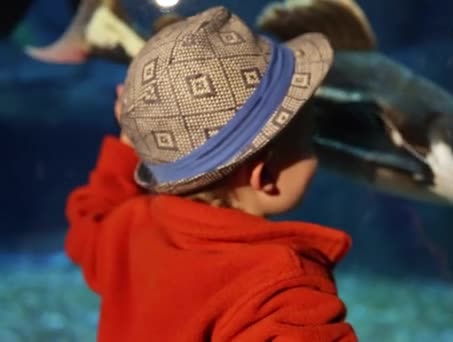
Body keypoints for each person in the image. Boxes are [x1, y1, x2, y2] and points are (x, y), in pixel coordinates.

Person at [64, 6, 357, 342]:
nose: (315, 154)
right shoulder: (281, 290)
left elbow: (89, 222)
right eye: (310, 141)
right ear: (266, 177)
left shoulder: (131, 229)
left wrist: (127, 146)